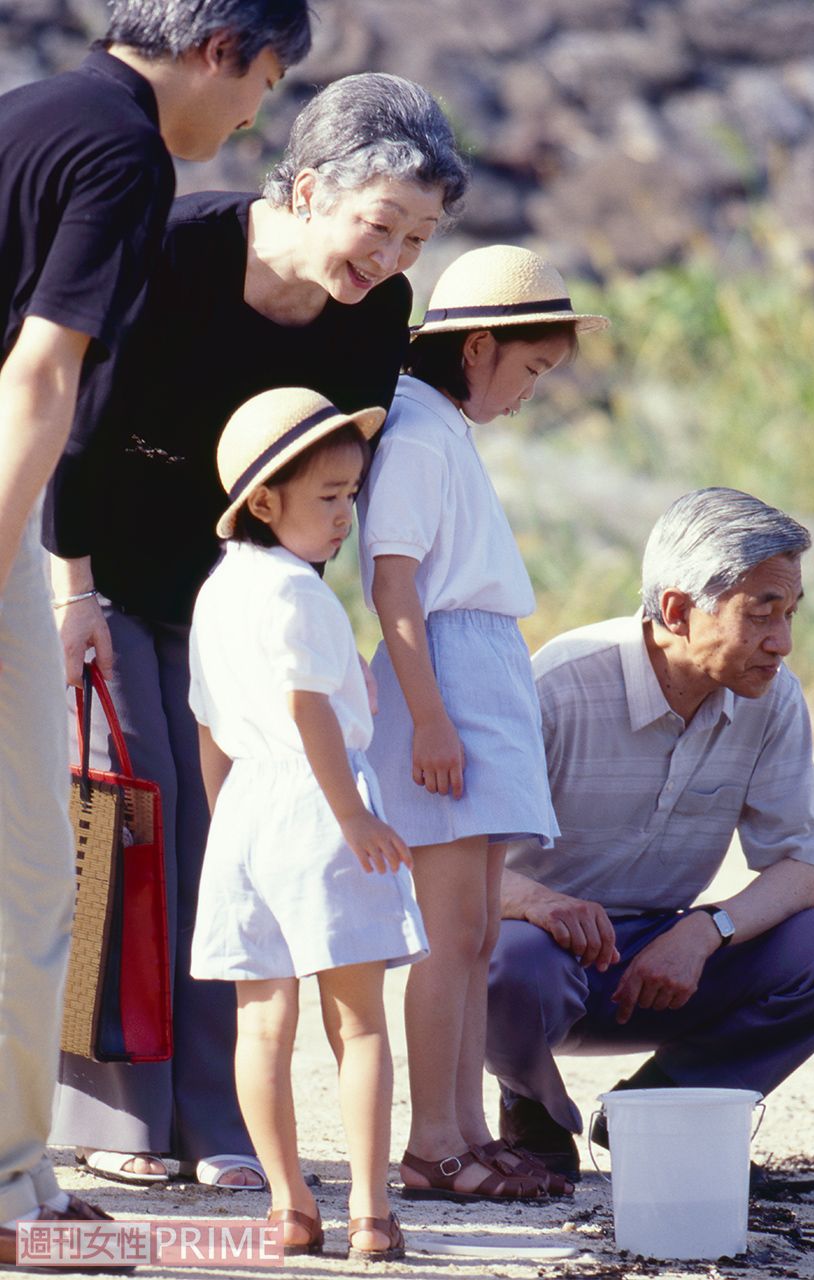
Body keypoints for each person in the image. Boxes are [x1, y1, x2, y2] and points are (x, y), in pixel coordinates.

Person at [43, 71, 466, 1192]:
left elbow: (340, 478)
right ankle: (116, 1119)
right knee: (137, 829)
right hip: (105, 568)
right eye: (381, 224)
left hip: (242, 594)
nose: (389, 258)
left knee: (234, 847)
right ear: (313, 185)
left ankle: (218, 1116)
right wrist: (68, 592)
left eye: (416, 237)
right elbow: (72, 427)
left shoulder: (373, 311)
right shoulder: (169, 249)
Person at [0, 0, 311, 1259]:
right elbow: (38, 374)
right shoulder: (124, 148)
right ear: (223, 51)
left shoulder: (26, 111)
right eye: (263, 87)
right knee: (26, 873)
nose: (250, 120)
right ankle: (15, 1182)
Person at [487, 487, 814, 1193]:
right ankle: (531, 1110)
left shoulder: (771, 695)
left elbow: (803, 861)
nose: (781, 641)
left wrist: (705, 932)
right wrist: (541, 904)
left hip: (664, 953)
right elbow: (449, 860)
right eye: (760, 612)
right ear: (679, 611)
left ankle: (659, 1110)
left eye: (789, 613)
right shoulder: (558, 686)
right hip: (538, 956)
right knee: (505, 961)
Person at [358, 244, 610, 1202]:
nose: (531, 392)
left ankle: (462, 1129)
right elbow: (395, 582)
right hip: (449, 672)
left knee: (469, 934)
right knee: (447, 929)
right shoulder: (419, 431)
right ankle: (433, 1143)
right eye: (531, 370)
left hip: (481, 667)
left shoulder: (442, 427)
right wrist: (427, 717)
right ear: (480, 349)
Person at [189, 387, 428, 1260]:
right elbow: (310, 713)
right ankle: (370, 1212)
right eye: (328, 497)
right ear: (263, 502)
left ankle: (290, 1207)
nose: (344, 516)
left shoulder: (217, 595)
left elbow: (211, 731)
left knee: (261, 1022)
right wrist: (355, 816)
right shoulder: (298, 594)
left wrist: (229, 832)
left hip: (248, 812)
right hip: (317, 803)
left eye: (352, 496)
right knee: (359, 1020)